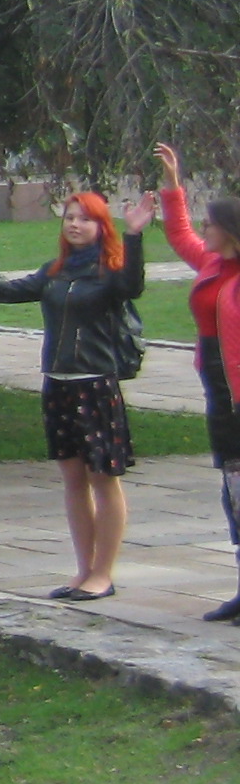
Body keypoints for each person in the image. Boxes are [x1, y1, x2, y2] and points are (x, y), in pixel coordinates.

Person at [0, 190, 151, 601]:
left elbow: (132, 286)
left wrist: (134, 235)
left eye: (85, 219)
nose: (75, 225)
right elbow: (2, 291)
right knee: (73, 479)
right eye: (69, 218)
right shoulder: (54, 272)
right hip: (57, 384)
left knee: (104, 479)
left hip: (95, 384)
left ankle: (103, 573)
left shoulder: (109, 271)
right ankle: (82, 571)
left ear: (101, 227)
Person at [154, 144, 240, 617]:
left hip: (237, 389)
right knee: (233, 488)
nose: (203, 230)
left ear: (229, 232)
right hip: (218, 387)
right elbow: (180, 232)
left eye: (211, 223)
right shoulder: (211, 262)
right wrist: (172, 184)